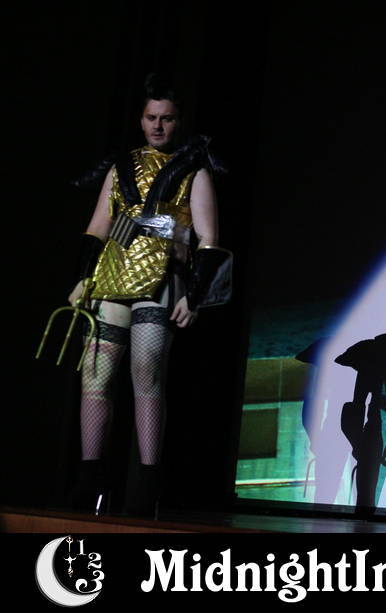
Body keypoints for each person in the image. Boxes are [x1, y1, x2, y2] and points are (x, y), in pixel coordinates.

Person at [68, 74, 229, 515]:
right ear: (141, 120)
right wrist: (83, 277)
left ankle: (147, 482)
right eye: (151, 117)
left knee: (146, 371)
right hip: (111, 277)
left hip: (161, 279)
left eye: (167, 118)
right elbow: (98, 226)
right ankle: (89, 479)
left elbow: (208, 238)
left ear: (178, 121)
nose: (158, 126)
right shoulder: (122, 167)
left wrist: (195, 295)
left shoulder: (194, 170)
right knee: (95, 376)